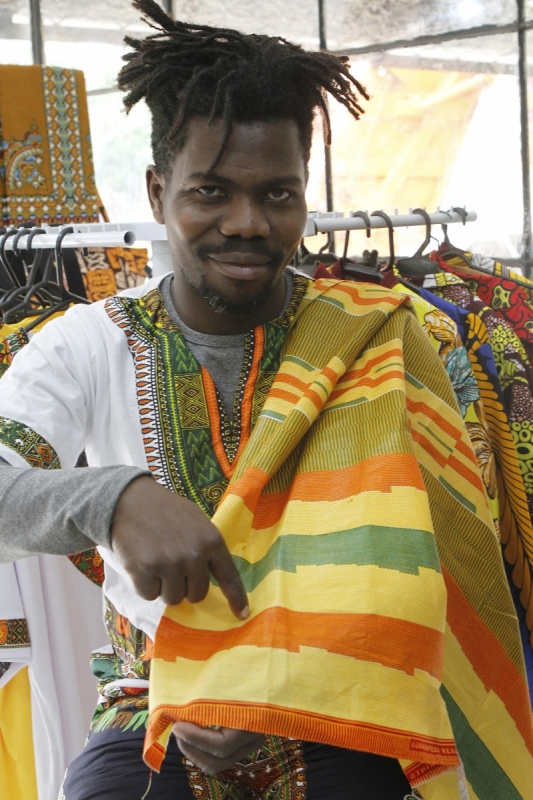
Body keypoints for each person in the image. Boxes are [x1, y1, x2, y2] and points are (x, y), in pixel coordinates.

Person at [0, 3, 501, 799]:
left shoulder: (378, 340)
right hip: (153, 699)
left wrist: (293, 670)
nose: (247, 224)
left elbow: (451, 554)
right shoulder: (83, 344)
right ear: (159, 190)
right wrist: (111, 496)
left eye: (277, 194)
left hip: (349, 700)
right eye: (210, 192)